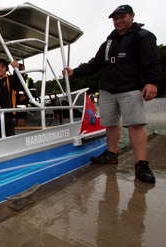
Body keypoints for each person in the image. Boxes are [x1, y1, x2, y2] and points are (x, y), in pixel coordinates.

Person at [62, 5, 161, 183]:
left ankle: (142, 164)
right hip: (107, 89)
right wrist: (74, 72)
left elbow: (152, 61)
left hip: (130, 87)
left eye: (122, 17)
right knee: (110, 124)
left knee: (135, 124)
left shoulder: (143, 36)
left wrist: (152, 82)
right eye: (115, 18)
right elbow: (95, 64)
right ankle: (112, 154)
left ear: (132, 16)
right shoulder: (108, 42)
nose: (118, 21)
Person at [0, 58, 20, 137]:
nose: (0, 69)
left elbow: (17, 83)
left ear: (6, 68)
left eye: (2, 67)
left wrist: (16, 68)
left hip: (9, 113)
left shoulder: (10, 79)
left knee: (10, 136)